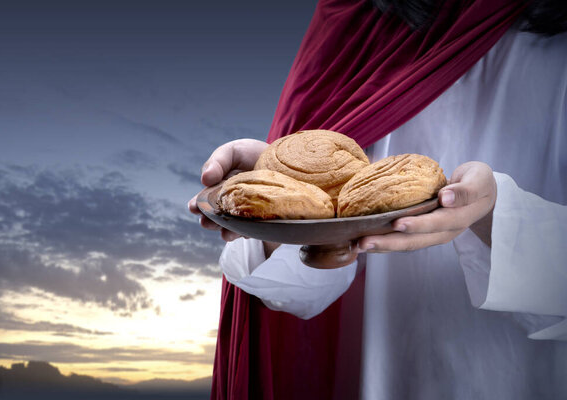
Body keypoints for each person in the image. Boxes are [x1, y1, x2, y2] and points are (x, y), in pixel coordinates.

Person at [189, 0, 567, 398]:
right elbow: (302, 292)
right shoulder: (351, 18)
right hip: (377, 376)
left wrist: (498, 219)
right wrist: (279, 207)